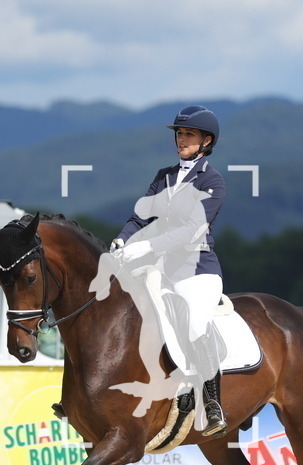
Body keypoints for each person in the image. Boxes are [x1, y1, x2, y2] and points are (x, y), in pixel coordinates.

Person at [112, 105, 227, 437]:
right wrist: (122, 239)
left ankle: (212, 403)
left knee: (195, 324)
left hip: (198, 270)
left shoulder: (213, 181)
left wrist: (147, 246)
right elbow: (140, 216)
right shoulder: (163, 175)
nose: (181, 139)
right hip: (160, 269)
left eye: (189, 134)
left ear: (206, 141)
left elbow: (192, 229)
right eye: (179, 133)